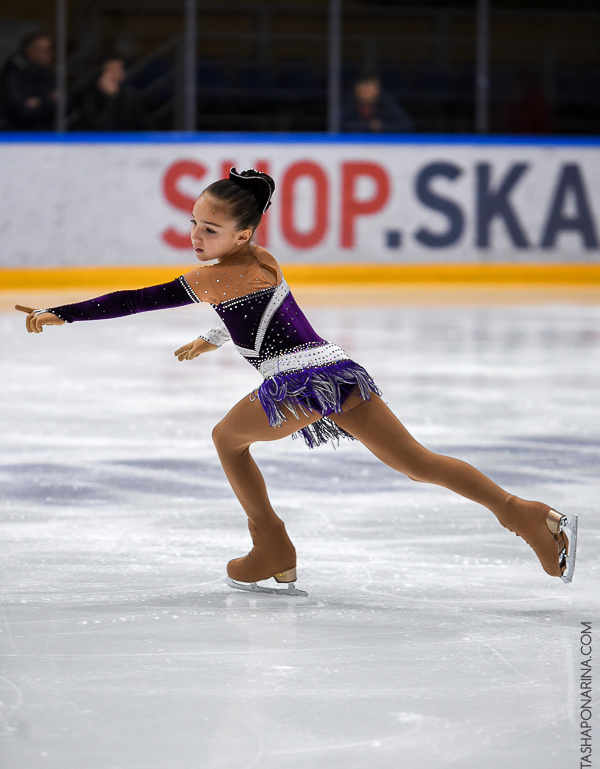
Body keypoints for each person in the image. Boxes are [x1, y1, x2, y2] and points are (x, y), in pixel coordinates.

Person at [16, 168, 577, 595]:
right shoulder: (264, 261)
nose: (195, 235)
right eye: (193, 222)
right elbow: (262, 315)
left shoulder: (213, 276)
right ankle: (522, 513)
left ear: (242, 233)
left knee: (226, 440)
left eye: (210, 229)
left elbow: (135, 301)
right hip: (335, 368)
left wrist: (62, 312)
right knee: (417, 463)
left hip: (297, 381)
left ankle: (271, 544)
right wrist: (213, 339)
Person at [0, 32, 57, 131]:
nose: (48, 55)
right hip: (15, 134)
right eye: (43, 51)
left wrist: (40, 102)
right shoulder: (13, 72)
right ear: (30, 51)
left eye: (49, 50)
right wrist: (47, 101)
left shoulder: (48, 73)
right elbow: (17, 108)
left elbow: (64, 102)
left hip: (45, 131)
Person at [78, 58, 148, 131]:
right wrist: (112, 98)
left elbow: (142, 125)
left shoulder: (129, 95)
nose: (119, 73)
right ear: (103, 74)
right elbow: (98, 127)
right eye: (114, 70)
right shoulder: (90, 96)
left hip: (127, 140)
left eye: (120, 69)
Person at [342, 73, 413, 134]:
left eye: (370, 89)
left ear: (377, 90)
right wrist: (368, 126)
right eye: (363, 89)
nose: (366, 93)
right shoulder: (350, 103)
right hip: (354, 142)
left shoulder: (386, 102)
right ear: (356, 90)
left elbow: (406, 125)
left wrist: (382, 126)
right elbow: (338, 125)